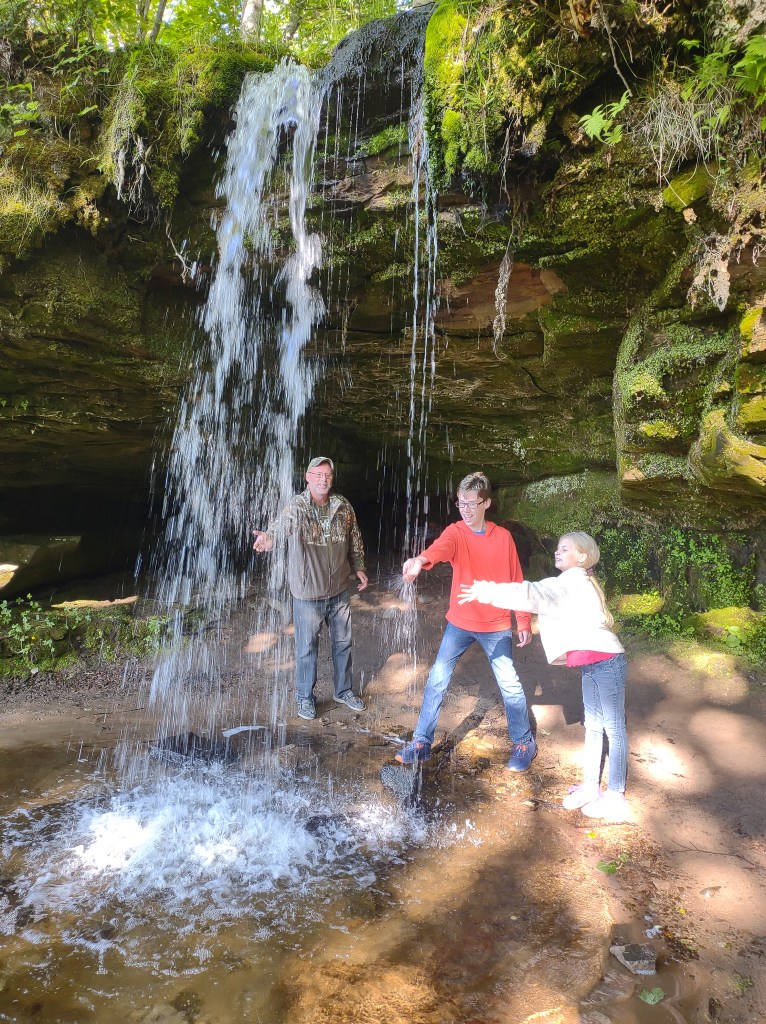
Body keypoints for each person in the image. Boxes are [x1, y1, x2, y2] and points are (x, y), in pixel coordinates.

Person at [458, 531, 629, 822]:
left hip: (607, 662)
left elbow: (530, 593)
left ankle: (616, 796)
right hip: (594, 664)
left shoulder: (571, 583)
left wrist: (483, 590)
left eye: (565, 549)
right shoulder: (573, 582)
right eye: (558, 549)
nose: (557, 553)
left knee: (613, 728)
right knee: (594, 726)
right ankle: (591, 787)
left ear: (582, 557)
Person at [395, 471, 536, 772]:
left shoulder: (503, 537)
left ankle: (524, 741)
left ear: (486, 503)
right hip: (460, 622)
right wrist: (419, 561)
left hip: (496, 625)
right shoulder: (456, 532)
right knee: (437, 679)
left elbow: (516, 580)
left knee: (509, 684)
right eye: (461, 504)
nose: (466, 510)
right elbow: (440, 549)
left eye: (472, 504)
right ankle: (421, 741)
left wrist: (522, 620)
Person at [253, 457, 369, 720]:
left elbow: (354, 538)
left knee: (343, 644)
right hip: (307, 593)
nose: (323, 479)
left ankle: (343, 690)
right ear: (308, 477)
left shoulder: (343, 506)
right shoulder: (298, 506)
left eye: (327, 475)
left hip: (339, 590)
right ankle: (305, 697)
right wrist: (269, 538)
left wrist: (359, 566)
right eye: (317, 474)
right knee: (307, 648)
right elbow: (282, 525)